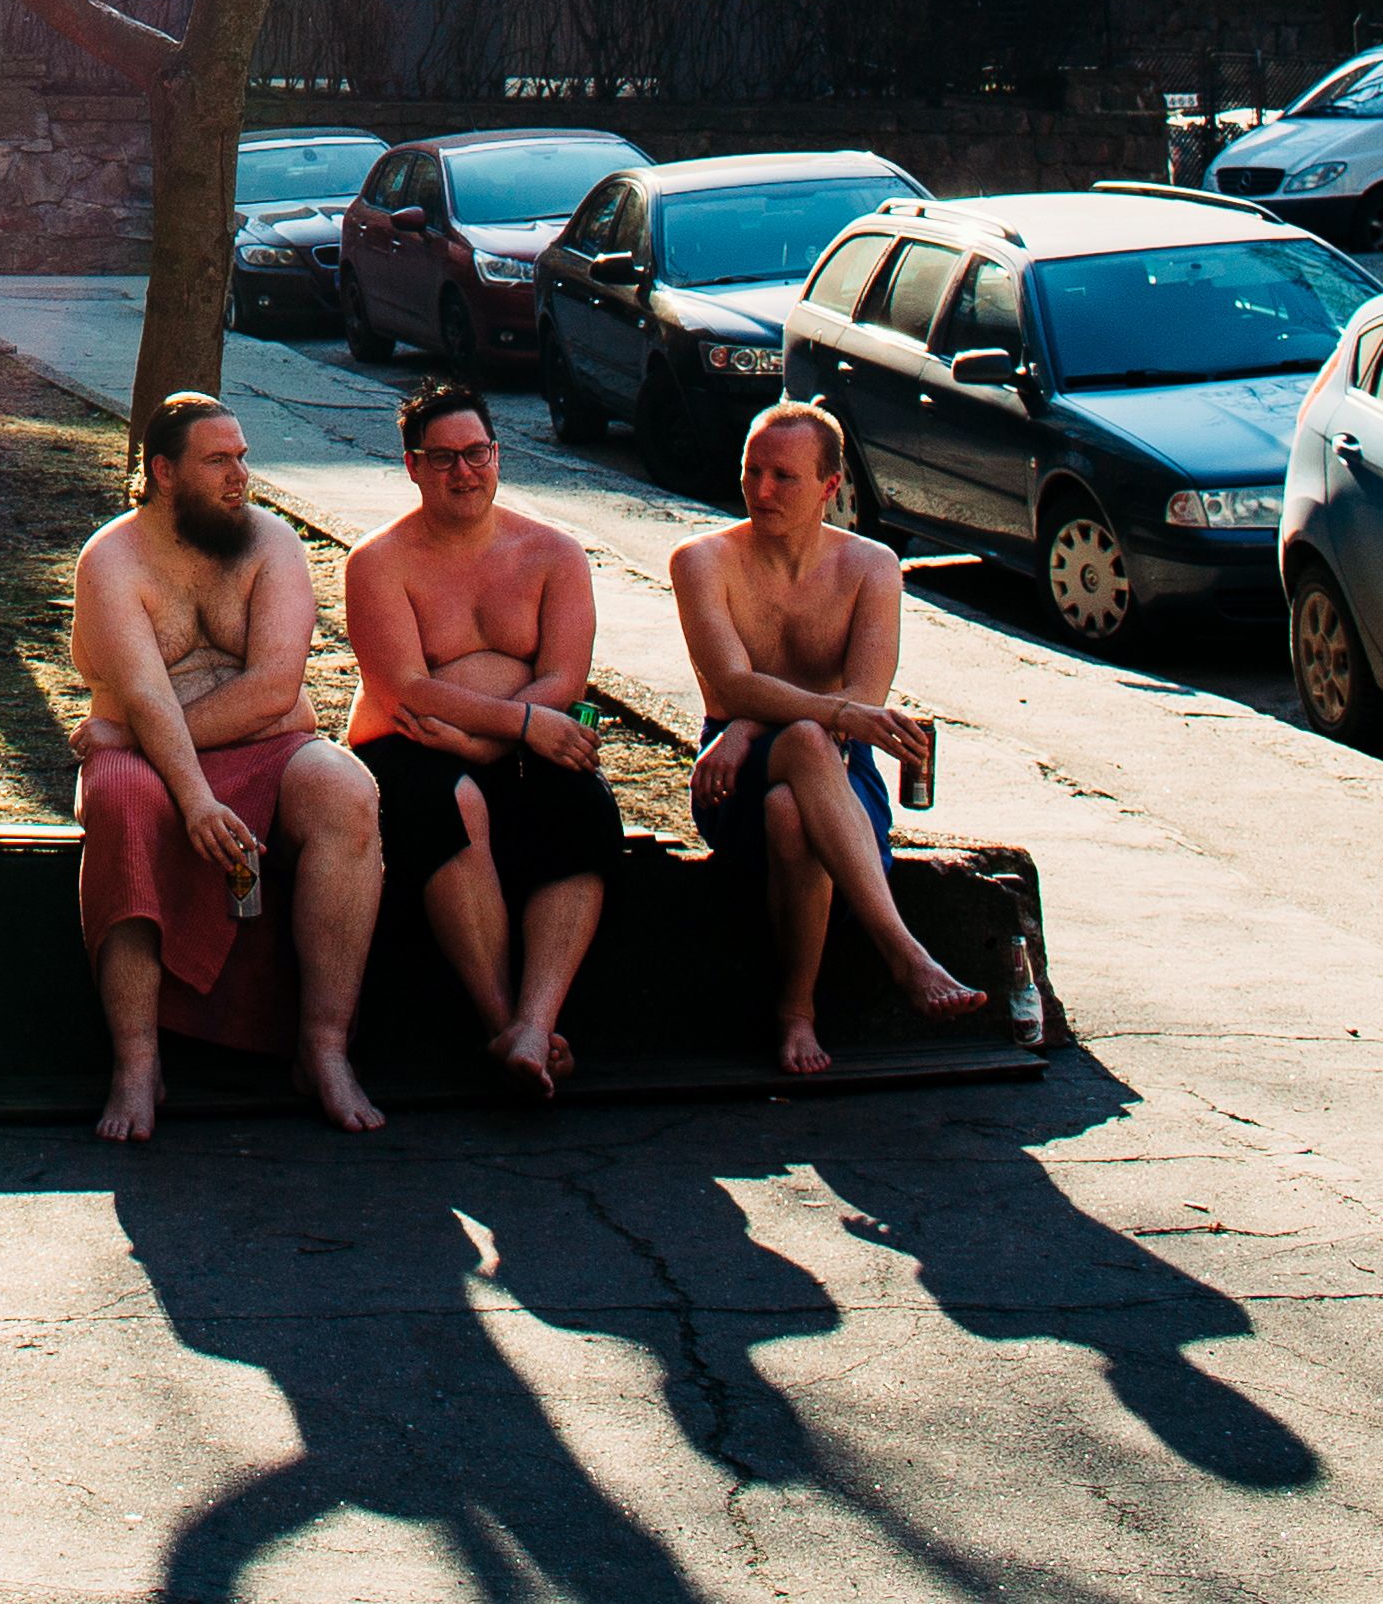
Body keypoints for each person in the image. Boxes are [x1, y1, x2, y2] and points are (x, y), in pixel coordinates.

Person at [70, 389, 386, 1141]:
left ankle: (325, 1047)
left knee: (346, 789)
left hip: (264, 747)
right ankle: (137, 1061)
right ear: (165, 472)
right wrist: (191, 793)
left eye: (242, 457)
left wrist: (139, 741)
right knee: (118, 799)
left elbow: (277, 687)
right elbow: (145, 695)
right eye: (218, 461)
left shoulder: (272, 543)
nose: (240, 474)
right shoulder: (112, 558)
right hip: (148, 756)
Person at [671, 398, 990, 1078]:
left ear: (829, 486)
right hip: (731, 779)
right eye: (751, 471)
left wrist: (757, 720)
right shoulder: (702, 561)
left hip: (836, 777)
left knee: (796, 802)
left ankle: (796, 1012)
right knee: (810, 748)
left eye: (784, 476)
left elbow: (865, 700)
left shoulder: (872, 567)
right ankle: (905, 953)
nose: (762, 490)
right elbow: (730, 683)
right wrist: (773, 718)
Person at [341, 375, 621, 1099]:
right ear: (412, 465)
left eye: (477, 452)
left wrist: (496, 742)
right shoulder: (377, 562)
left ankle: (536, 1021)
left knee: (583, 806)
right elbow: (408, 686)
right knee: (453, 801)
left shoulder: (555, 554)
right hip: (406, 745)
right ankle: (503, 1027)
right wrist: (522, 726)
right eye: (442, 458)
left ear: (499, 454)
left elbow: (564, 675)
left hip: (507, 739)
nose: (463, 471)